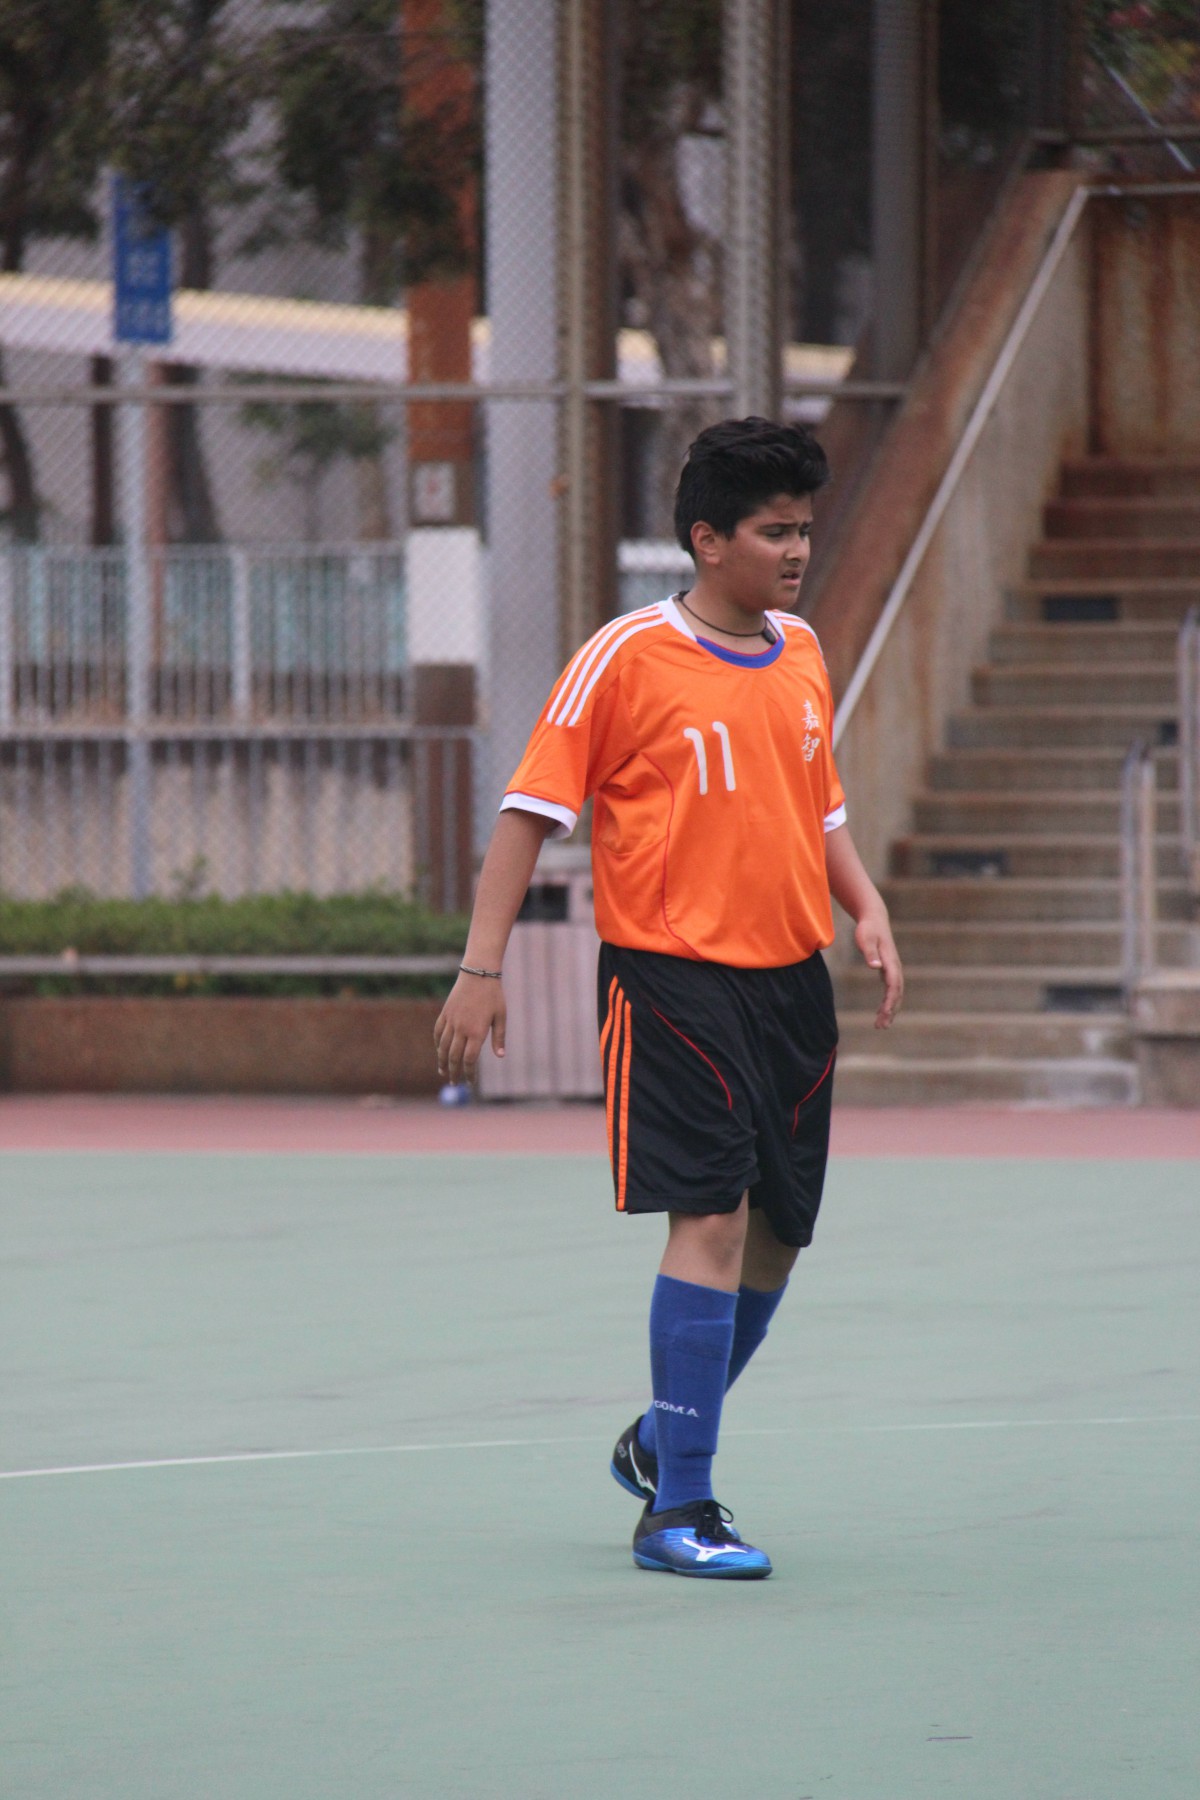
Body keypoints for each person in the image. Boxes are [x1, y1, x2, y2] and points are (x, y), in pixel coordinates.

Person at [435, 417, 903, 1579]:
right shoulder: (625, 657)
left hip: (791, 985)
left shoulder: (802, 650)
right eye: (774, 531)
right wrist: (481, 966)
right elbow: (529, 814)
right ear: (707, 539)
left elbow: (820, 804)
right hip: (671, 978)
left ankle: (660, 1437)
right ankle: (678, 1509)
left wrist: (865, 903)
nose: (797, 550)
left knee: (778, 1240)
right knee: (713, 1216)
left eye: (804, 529)